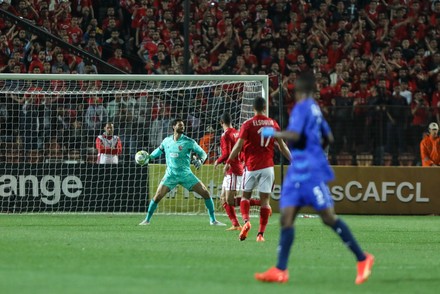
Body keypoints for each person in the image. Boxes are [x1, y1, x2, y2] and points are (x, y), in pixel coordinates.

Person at [254, 73, 374, 284]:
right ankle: (280, 269)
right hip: (300, 168)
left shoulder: (302, 108)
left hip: (307, 171)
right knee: (287, 217)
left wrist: (272, 133)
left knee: (328, 217)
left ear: (297, 91)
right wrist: (315, 151)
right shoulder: (316, 110)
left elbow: (295, 135)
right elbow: (329, 138)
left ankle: (363, 258)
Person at [225, 97, 291, 242]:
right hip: (268, 166)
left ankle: (246, 221)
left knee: (245, 197)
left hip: (251, 166)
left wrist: (229, 160)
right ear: (265, 107)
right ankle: (260, 234)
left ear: (253, 108)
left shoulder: (248, 124)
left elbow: (238, 146)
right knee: (265, 202)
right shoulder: (273, 124)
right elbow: (282, 146)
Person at [139, 118, 226, 226]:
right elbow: (159, 150)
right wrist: (150, 157)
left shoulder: (189, 141)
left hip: (186, 175)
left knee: (206, 193)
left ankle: (213, 220)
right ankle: (147, 220)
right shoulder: (166, 141)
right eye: (180, 125)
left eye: (183, 125)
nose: (182, 127)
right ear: (173, 127)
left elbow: (203, 153)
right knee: (157, 196)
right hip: (171, 175)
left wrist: (200, 161)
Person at [214, 113, 243, 231]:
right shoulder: (237, 133)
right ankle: (235, 224)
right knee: (223, 199)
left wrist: (218, 161)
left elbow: (226, 154)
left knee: (230, 200)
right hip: (233, 169)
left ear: (221, 122)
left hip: (233, 169)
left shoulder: (225, 135)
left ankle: (258, 202)